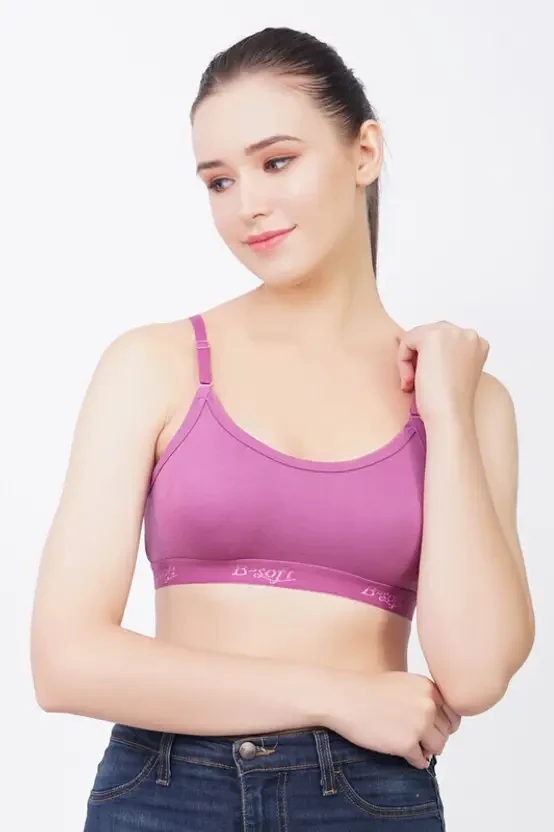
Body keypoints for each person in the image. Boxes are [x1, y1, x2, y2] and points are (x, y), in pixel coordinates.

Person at [30, 26, 535, 831]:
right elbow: (63, 663)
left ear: (364, 152)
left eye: (276, 162)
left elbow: (473, 675)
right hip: (165, 791)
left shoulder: (469, 402)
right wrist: (336, 696)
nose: (247, 206)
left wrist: (444, 409)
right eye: (219, 181)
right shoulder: (155, 365)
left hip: (369, 799)